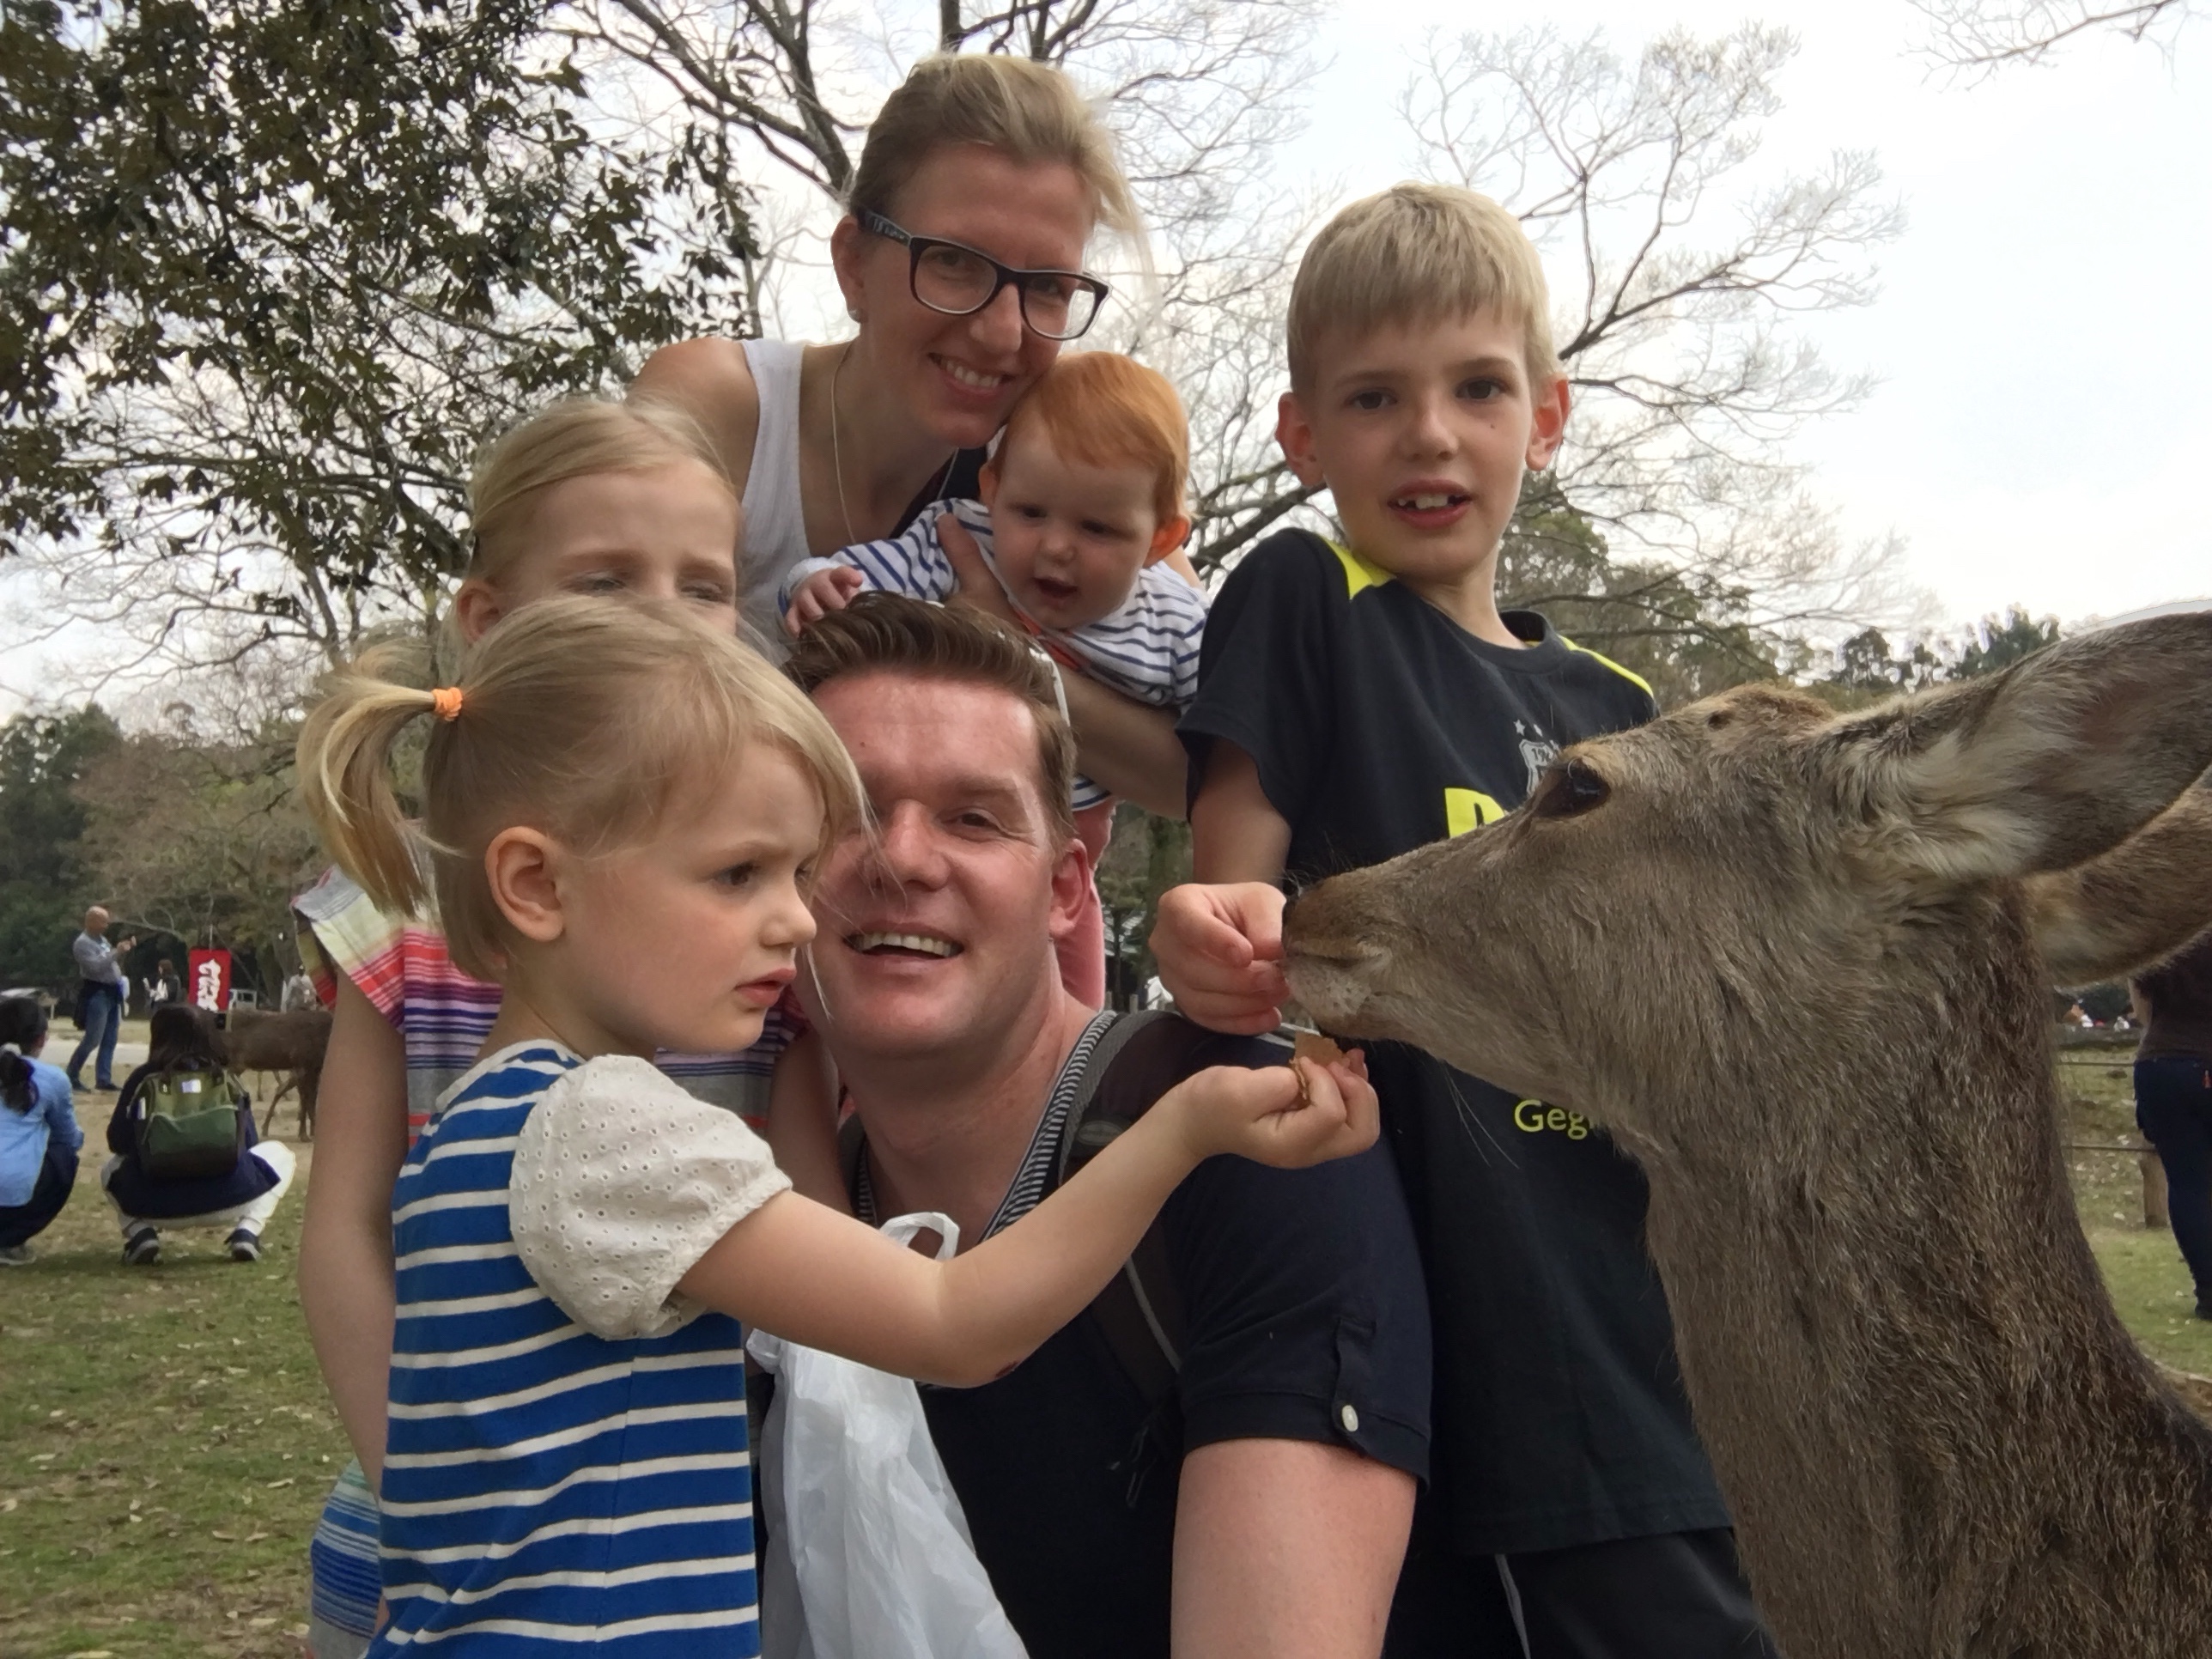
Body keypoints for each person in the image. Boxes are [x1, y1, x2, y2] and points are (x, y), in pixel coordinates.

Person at [292, 594, 1376, 1655]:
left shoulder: (471, 1133)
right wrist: (1182, 1128)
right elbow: (953, 1322)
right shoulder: (607, 1133)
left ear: (1065, 886)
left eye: (797, 869)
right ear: (535, 884)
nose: (797, 917)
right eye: (738, 874)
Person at [1150, 184, 1778, 1656]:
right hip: (1439, 1279)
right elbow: (1236, 884)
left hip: (1643, 1297)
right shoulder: (1305, 593)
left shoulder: (1622, 708)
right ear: (1303, 435)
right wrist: (1209, 934)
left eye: (1478, 389)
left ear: (1545, 418)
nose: (1428, 434)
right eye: (1374, 397)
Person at [777, 595, 1431, 1658]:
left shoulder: (1253, 1138)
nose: (901, 858)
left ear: (1065, 889)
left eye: (972, 819)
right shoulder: (766, 1218)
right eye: (844, 811)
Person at [289, 395, 776, 1658]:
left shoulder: (751, 919)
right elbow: (343, 1228)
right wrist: (422, 1500)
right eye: (605, 579)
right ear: (488, 618)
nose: (662, 616)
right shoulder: (405, 905)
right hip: (441, 1529)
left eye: (704, 586)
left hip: (664, 1543)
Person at [635, 52, 1191, 823]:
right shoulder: (725, 411)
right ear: (854, 265)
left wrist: (1006, 644)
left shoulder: (1068, 466)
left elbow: (1200, 776)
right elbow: (599, 681)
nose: (1003, 333)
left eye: (1048, 288)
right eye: (955, 263)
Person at [781, 351, 1207, 1006]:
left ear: (1160, 539)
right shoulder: (962, 542)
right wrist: (811, 583)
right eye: (1031, 512)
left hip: (1072, 841)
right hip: (942, 798)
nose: (1056, 546)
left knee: (1072, 1010)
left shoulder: (1175, 622)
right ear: (992, 489)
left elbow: (1227, 748)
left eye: (1097, 528)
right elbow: (858, 577)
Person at [100, 1003, 295, 1265]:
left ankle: (140, 1233)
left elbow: (118, 1142)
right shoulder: (224, 1077)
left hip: (155, 1205)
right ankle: (248, 1231)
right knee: (281, 1154)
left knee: (109, 1169)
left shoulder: (143, 1078)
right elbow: (248, 1142)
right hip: (231, 1197)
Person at [2133, 930, 2212, 1319]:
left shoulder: (2170, 930)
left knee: (2188, 1183)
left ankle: (2209, 1292)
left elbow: (2142, 1009)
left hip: (2160, 1064)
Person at [0, 995, 83, 1266]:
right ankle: (9, 1241)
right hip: (12, 1196)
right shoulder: (51, 1078)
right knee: (65, 1156)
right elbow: (69, 1139)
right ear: (41, 1039)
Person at [66, 906, 136, 1091]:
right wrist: (116, 951)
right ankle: (72, 1074)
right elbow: (95, 967)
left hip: (113, 991)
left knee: (110, 1038)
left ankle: (104, 1078)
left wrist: (121, 952)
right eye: (103, 921)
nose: (107, 925)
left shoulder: (102, 940)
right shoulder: (82, 943)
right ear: (91, 921)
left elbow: (108, 961)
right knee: (93, 1038)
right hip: (97, 993)